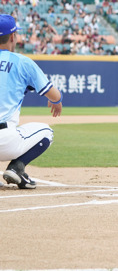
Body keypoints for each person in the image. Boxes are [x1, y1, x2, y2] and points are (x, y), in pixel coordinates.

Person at [0, 15, 63, 189]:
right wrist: (57, 101)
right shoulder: (22, 62)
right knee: (46, 131)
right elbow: (54, 95)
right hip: (5, 141)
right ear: (13, 37)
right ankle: (17, 168)